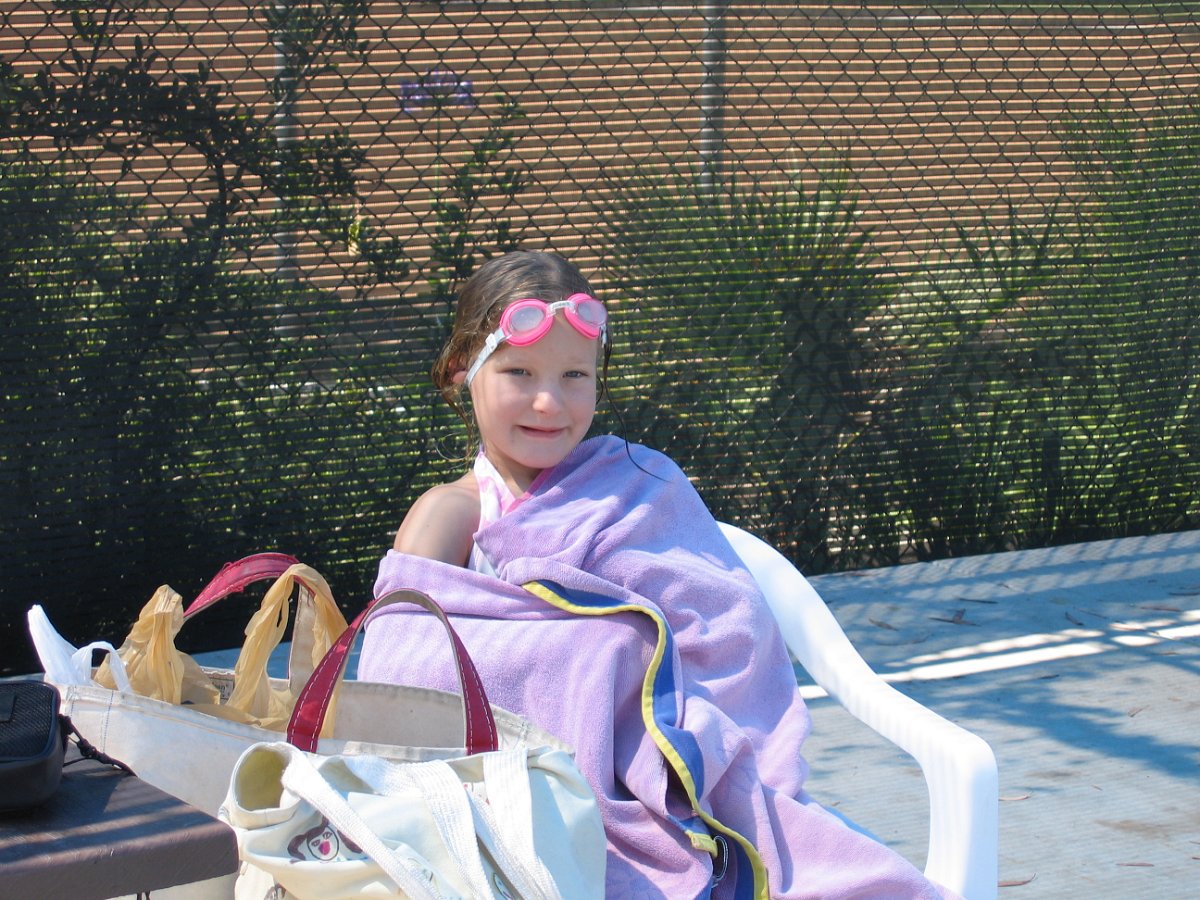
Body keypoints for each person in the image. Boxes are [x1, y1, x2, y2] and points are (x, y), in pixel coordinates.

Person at [359, 250, 952, 898]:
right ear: (461, 373)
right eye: (519, 372)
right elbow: (400, 674)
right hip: (516, 799)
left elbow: (730, 624)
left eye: (575, 375)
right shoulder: (450, 515)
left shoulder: (641, 484)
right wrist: (593, 655)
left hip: (675, 771)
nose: (548, 400)